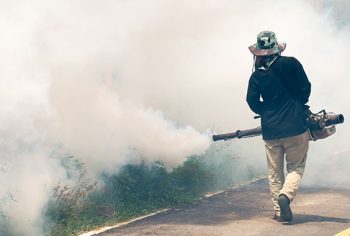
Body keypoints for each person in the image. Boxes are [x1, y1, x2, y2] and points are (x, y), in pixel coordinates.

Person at [246, 31, 311, 222]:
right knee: (296, 167)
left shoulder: (256, 76)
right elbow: (305, 88)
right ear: (276, 49)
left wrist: (265, 111)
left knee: (274, 172)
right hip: (296, 126)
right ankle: (286, 196)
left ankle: (278, 211)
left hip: (271, 130)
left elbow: (251, 101)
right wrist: (299, 104)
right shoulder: (292, 63)